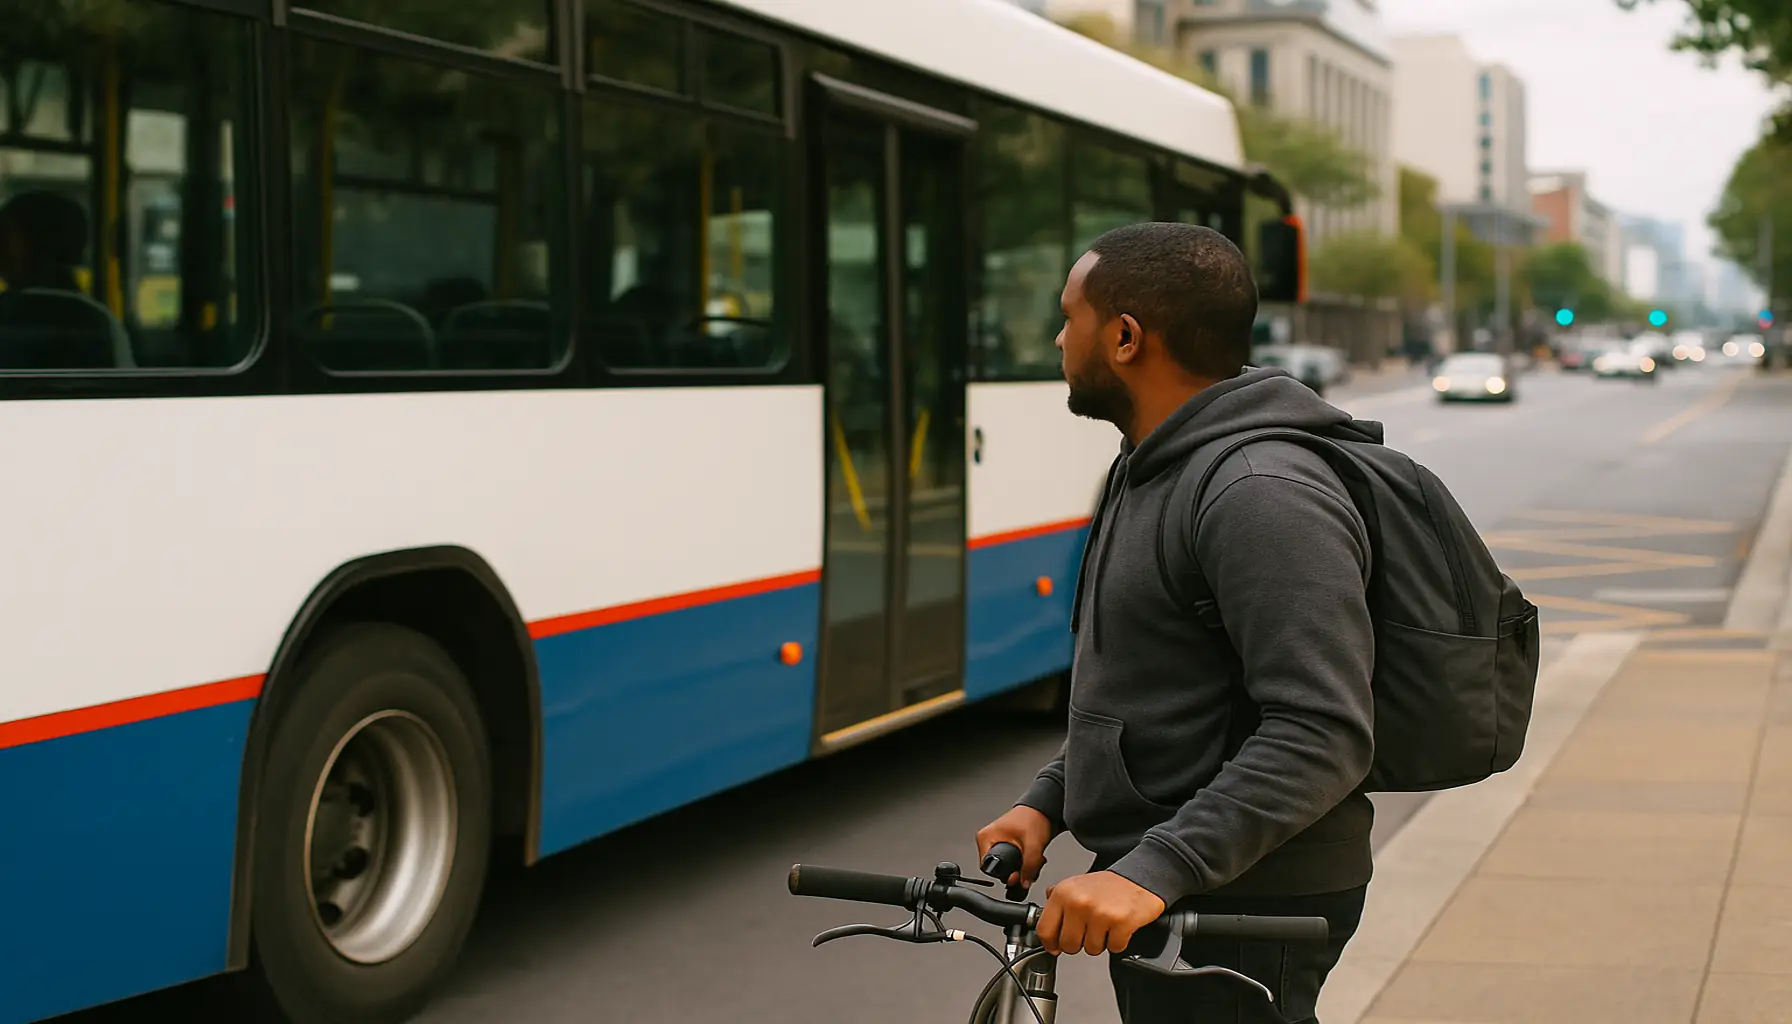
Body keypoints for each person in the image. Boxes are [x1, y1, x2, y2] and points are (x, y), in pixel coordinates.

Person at [976, 222, 1377, 1024]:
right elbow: (1145, 684)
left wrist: (1153, 868)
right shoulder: (1149, 463)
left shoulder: (1259, 492)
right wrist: (1048, 801)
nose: (1059, 338)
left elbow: (1322, 728)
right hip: (1185, 881)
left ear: (1124, 337)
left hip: (1250, 896)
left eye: (1069, 316)